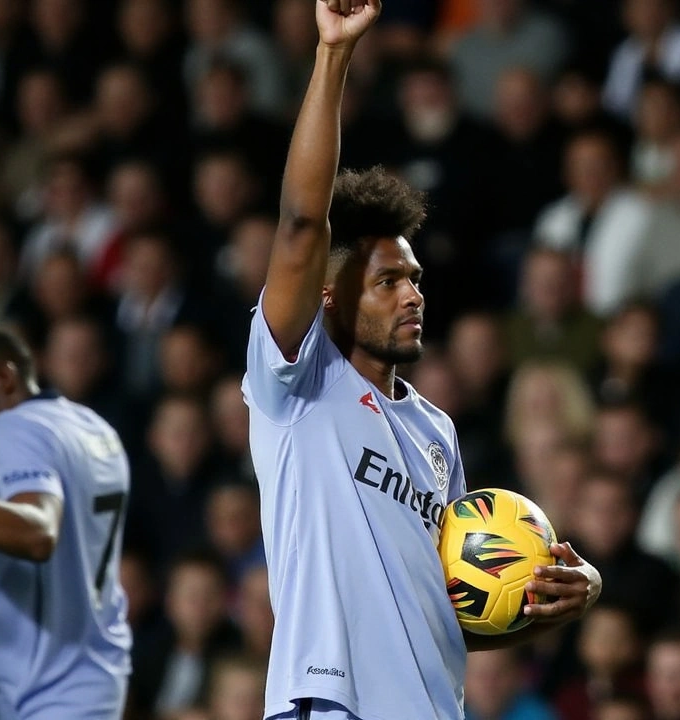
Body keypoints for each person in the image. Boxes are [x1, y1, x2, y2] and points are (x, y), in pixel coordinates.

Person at [243, 4, 602, 720]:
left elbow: (451, 614)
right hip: (328, 704)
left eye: (414, 279)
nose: (412, 294)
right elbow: (301, 223)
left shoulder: (437, 432)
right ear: (329, 297)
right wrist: (333, 55)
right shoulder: (296, 380)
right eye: (386, 281)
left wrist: (561, 597)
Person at [0, 329, 132, 719]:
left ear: (4, 379)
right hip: (95, 679)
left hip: (38, 685)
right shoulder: (93, 427)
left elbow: (38, 533)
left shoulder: (11, 427)